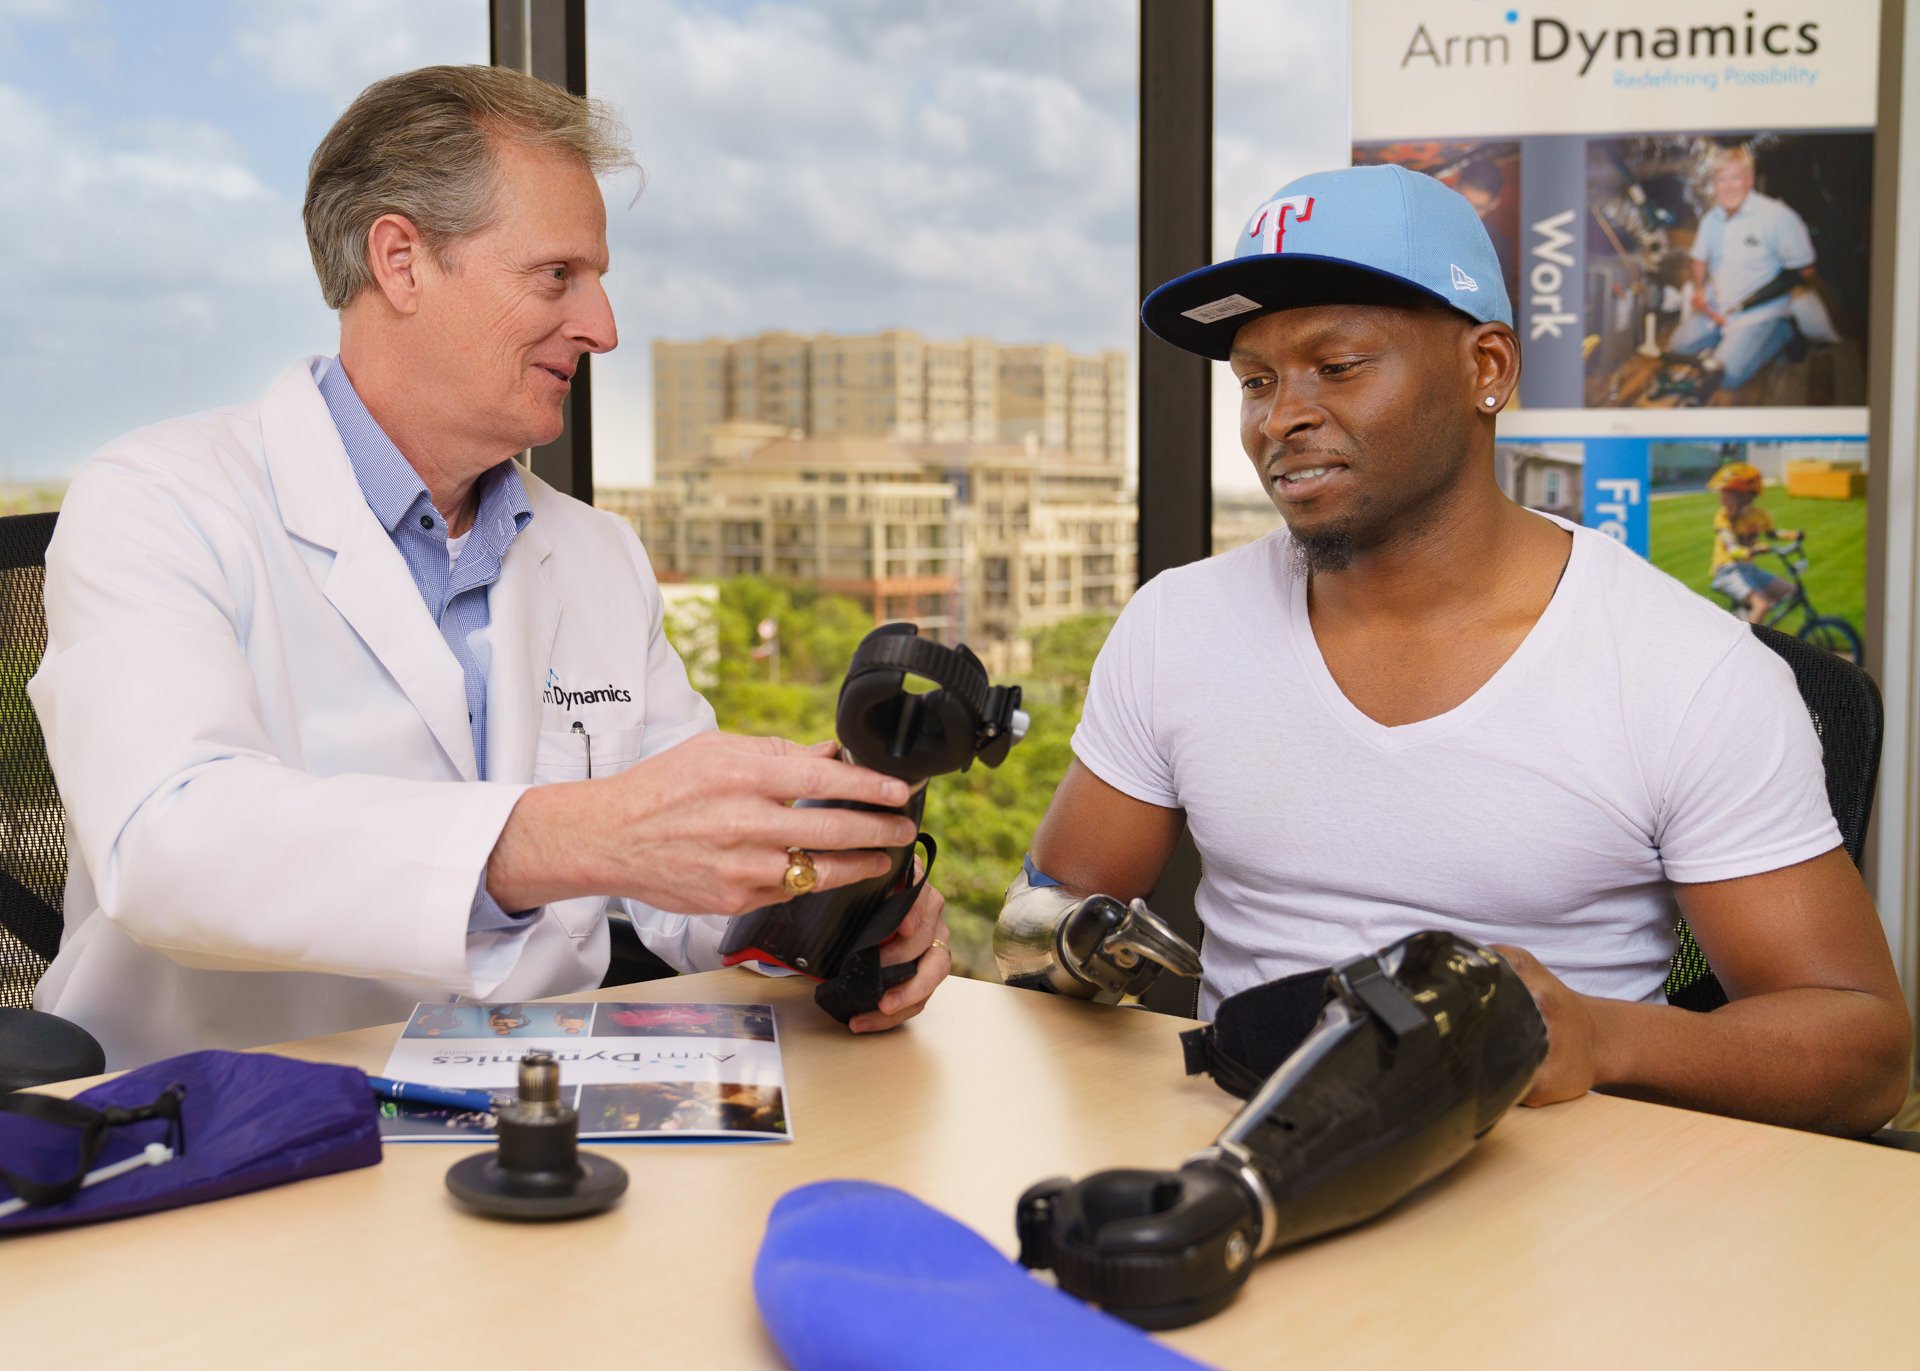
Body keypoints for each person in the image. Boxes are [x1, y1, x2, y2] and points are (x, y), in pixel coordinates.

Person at [29, 65, 950, 1069]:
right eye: (558, 276)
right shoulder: (158, 500)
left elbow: (676, 886)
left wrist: (816, 898)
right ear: (401, 262)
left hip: (523, 1114)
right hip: (210, 1124)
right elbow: (171, 844)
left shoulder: (597, 556)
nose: (603, 327)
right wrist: (571, 837)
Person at [1021, 163, 1909, 1137]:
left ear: (1487, 369)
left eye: (1339, 364)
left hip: (1565, 1212)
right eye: (1257, 382)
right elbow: (1055, 914)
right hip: (1236, 1173)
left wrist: (1600, 1038)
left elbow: (1863, 1055)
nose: (1281, 418)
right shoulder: (1177, 625)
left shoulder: (1687, 671)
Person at [1664, 145, 1817, 396]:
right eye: (1721, 179)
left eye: (1735, 177)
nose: (1728, 186)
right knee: (1678, 346)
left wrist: (1761, 301)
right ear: (1713, 183)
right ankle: (1731, 340)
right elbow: (1699, 258)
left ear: (1750, 179)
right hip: (1719, 308)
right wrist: (1700, 291)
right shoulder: (1711, 219)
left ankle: (1782, 331)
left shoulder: (1776, 216)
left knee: (1727, 376)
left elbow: (1806, 269)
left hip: (1760, 312)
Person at [1705, 461, 1800, 623]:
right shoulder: (1722, 518)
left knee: (1791, 591)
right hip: (1728, 570)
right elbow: (1732, 549)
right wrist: (1753, 550)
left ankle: (1748, 619)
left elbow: (1771, 533)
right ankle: (1748, 645)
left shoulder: (1758, 515)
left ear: (1745, 496)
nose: (1722, 500)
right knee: (1762, 605)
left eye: (1727, 495)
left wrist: (1793, 535)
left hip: (1749, 569)